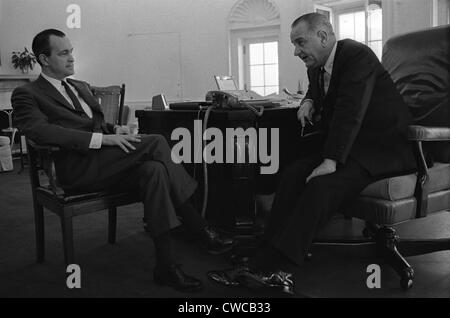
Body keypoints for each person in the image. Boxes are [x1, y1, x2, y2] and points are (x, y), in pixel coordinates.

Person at [208, 13, 416, 294]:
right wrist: (308, 100)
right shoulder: (316, 65)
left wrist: (330, 161)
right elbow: (319, 90)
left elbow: (349, 110)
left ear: (323, 36)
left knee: (321, 185)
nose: (296, 51)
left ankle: (273, 268)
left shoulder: (357, 55)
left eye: (300, 42)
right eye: (294, 44)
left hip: (383, 148)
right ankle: (264, 251)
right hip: (354, 146)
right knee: (293, 173)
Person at [12, 29, 235, 292]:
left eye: (71, 51)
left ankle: (166, 266)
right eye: (64, 53)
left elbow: (94, 123)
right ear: (44, 59)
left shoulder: (79, 86)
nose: (72, 58)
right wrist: (101, 140)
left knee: (154, 171)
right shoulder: (27, 93)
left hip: (105, 164)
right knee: (156, 142)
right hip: (75, 170)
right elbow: (39, 131)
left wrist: (113, 130)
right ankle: (201, 229)